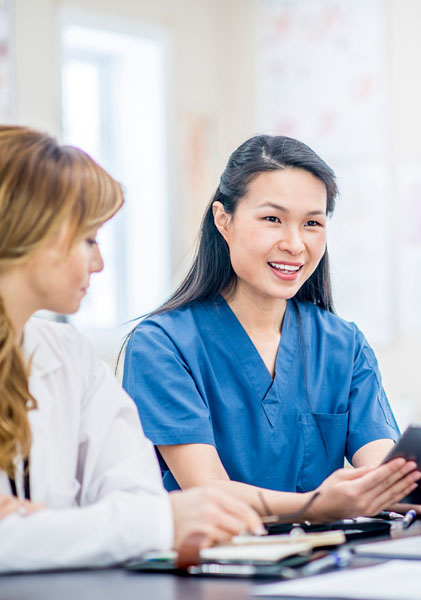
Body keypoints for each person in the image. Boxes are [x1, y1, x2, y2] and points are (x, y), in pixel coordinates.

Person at [123, 134, 421, 523]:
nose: (294, 243)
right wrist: (319, 506)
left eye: (312, 223)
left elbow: (381, 476)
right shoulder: (162, 345)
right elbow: (210, 494)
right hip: (213, 569)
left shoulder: (343, 344)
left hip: (326, 567)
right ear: (224, 220)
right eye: (272, 219)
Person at [0, 126, 263, 573]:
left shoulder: (68, 355)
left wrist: (53, 530)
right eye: (88, 240)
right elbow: (148, 520)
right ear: (30, 235)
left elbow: (138, 494)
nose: (99, 263)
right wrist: (115, 527)